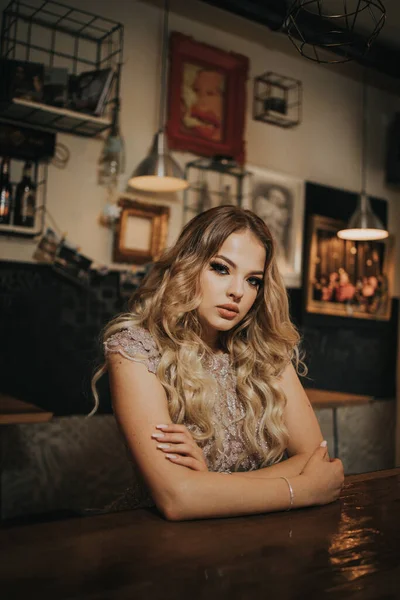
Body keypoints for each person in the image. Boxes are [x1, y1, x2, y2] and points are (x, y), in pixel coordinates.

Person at [92, 206, 344, 521]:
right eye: (221, 268)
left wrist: (209, 485)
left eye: (253, 280)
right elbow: (176, 498)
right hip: (159, 543)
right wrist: (301, 491)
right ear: (188, 264)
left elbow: (314, 459)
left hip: (258, 543)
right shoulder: (135, 351)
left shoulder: (267, 353)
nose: (237, 291)